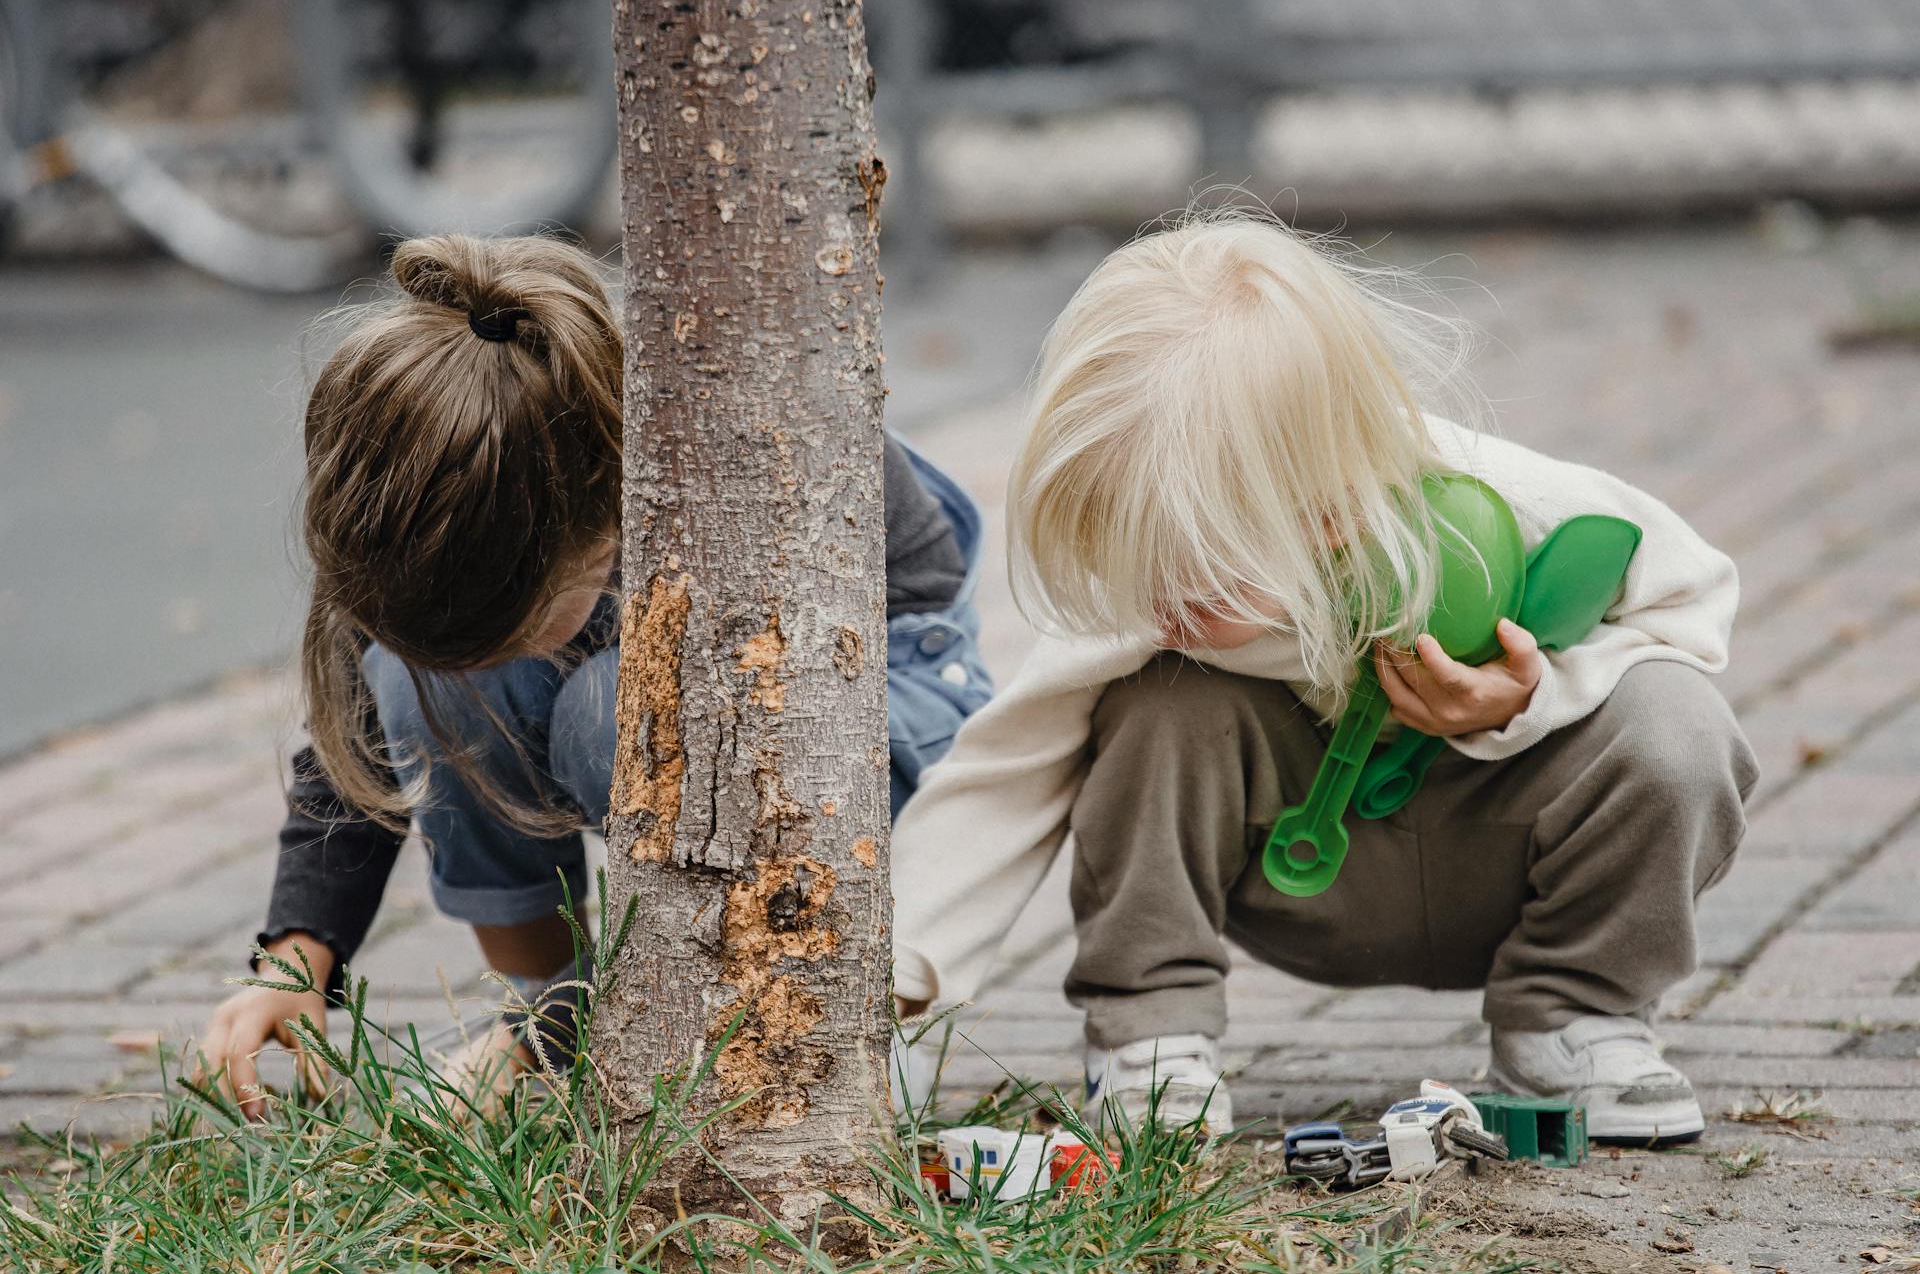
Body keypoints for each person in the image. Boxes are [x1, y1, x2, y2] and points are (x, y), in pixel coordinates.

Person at [889, 212, 1757, 1143]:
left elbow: (1693, 608)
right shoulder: (1162, 600)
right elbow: (1006, 774)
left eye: (1199, 568)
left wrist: (1536, 697)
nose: (1157, 596)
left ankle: (1573, 1021)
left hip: (1502, 856)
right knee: (1155, 706)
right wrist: (895, 972)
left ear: (1332, 514)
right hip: (1301, 881)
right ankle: (1152, 1040)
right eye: (1133, 556)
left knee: (1678, 725)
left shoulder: (1515, 505)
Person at [196, 234, 992, 1117]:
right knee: (428, 683)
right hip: (663, 699)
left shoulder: (728, 448)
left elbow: (854, 711)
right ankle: (548, 1012)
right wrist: (293, 960)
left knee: (609, 707)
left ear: (599, 536)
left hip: (878, 707)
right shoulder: (435, 500)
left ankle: (801, 1019)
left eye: (509, 631)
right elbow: (354, 750)